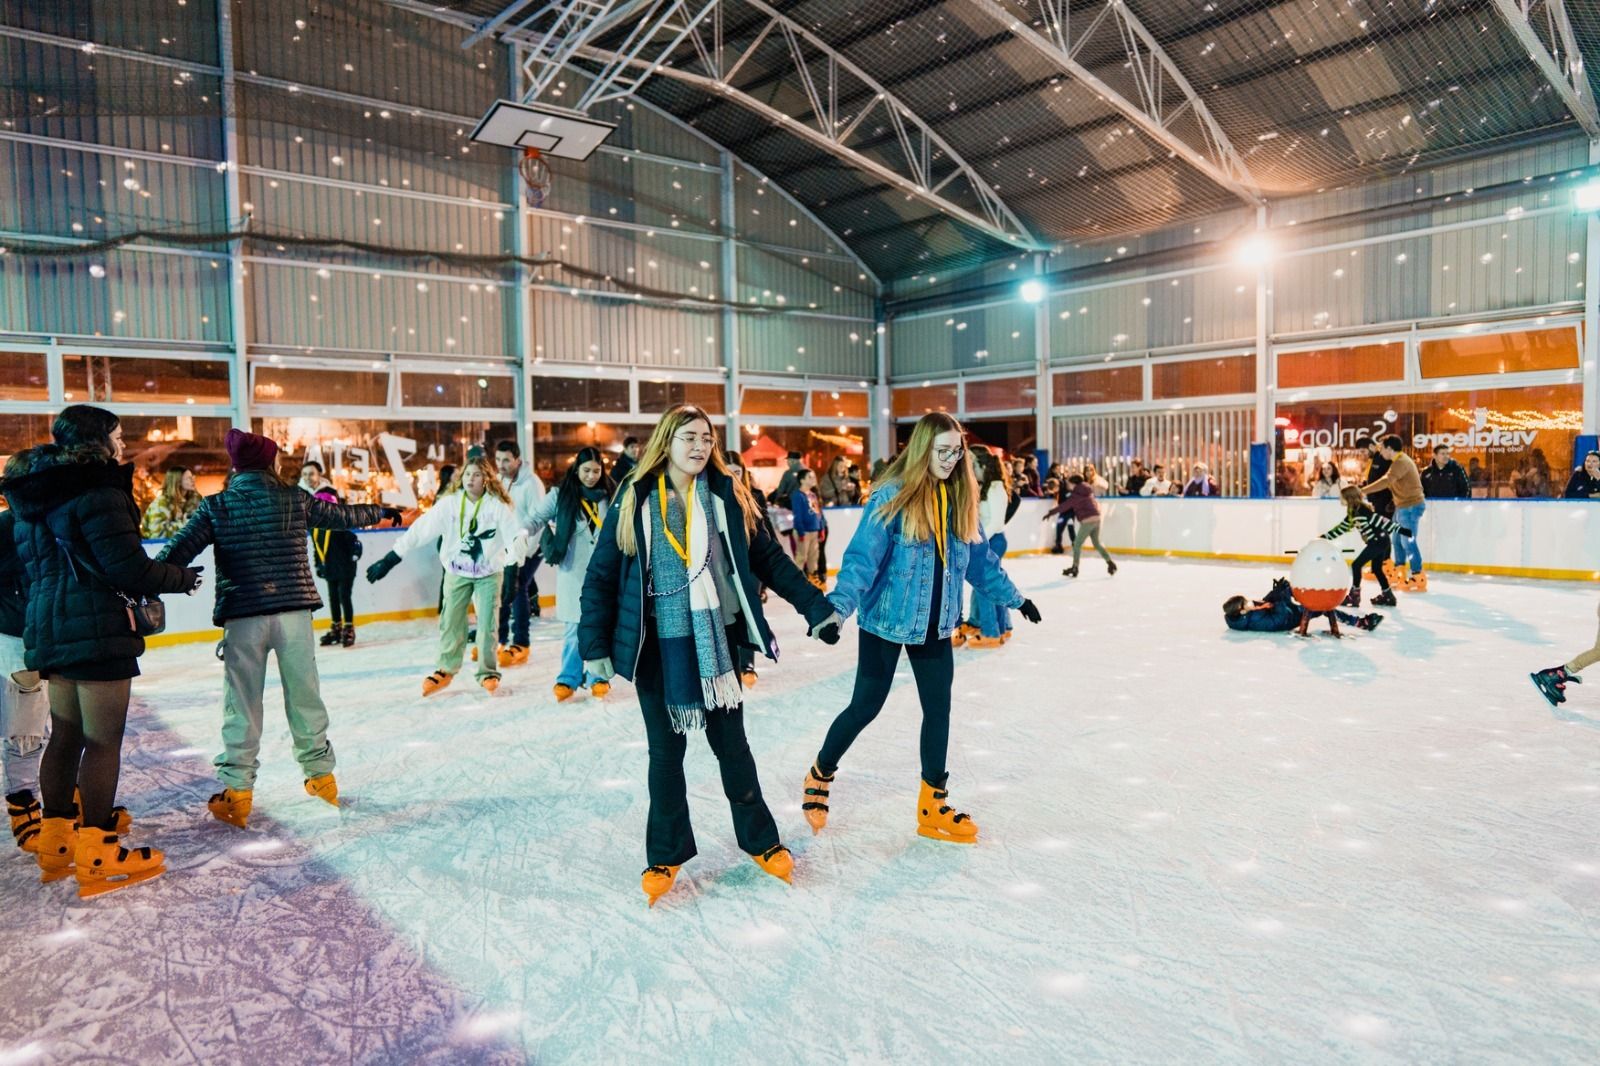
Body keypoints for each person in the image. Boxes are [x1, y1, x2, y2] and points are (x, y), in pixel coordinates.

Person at [578, 405, 838, 907]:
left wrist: (816, 608)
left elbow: (769, 560)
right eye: (689, 437)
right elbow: (601, 577)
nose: (699, 447)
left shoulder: (727, 495)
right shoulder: (634, 500)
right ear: (666, 442)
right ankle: (666, 852)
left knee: (732, 747)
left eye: (706, 438)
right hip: (658, 649)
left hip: (718, 642)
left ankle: (761, 841)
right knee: (666, 755)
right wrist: (594, 648)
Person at [802, 412, 1041, 848]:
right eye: (942, 451)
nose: (951, 460)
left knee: (939, 709)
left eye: (956, 451)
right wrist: (837, 610)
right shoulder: (891, 496)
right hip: (887, 621)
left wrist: (1016, 599)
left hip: (936, 627)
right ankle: (821, 769)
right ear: (922, 450)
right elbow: (861, 560)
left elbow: (981, 564)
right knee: (865, 708)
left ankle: (933, 802)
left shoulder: (961, 499)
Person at [3, 405, 203, 896]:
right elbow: (126, 567)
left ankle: (56, 844)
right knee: (103, 739)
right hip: (95, 631)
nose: (122, 443)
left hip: (48, 630)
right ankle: (96, 849)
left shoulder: (33, 499)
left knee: (66, 735)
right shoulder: (98, 492)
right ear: (98, 440)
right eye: (117, 434)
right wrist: (181, 578)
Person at [159, 429, 394, 830]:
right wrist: (382, 511)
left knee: (242, 703)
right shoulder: (293, 497)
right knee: (305, 694)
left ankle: (237, 792)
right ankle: (322, 779)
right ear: (270, 462)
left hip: (244, 616)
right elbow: (341, 517)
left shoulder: (216, 506)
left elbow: (175, 552)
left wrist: (145, 579)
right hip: (294, 615)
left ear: (236, 466)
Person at [366, 455, 525, 697]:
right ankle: (446, 668)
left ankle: (487, 672)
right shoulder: (450, 504)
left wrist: (512, 570)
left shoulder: (497, 506)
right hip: (456, 573)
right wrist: (392, 557)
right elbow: (421, 529)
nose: (471, 478)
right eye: (468, 474)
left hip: (489, 574)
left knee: (487, 626)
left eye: (477, 474)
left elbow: (516, 536)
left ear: (486, 479)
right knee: (450, 621)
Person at [523, 447, 615, 702]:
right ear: (576, 469)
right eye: (586, 470)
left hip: (603, 573)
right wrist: (522, 534)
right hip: (573, 572)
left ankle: (598, 676)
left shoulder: (610, 494)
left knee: (600, 626)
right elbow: (536, 518)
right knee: (574, 627)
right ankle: (569, 677)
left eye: (596, 471)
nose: (591, 476)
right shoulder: (560, 495)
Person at [1, 505, 49, 854]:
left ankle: (65, 796)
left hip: (52, 632)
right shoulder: (8, 525)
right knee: (25, 725)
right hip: (17, 633)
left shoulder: (55, 517)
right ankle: (23, 800)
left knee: (61, 721)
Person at [724, 453, 775, 689]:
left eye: (738, 472)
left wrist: (764, 582)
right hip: (725, 568)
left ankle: (747, 663)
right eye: (729, 471)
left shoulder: (754, 497)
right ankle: (730, 664)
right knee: (730, 616)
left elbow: (768, 537)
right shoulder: (714, 496)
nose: (734, 476)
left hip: (751, 568)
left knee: (750, 613)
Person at [493, 441, 546, 667]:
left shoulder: (531, 483)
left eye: (506, 460)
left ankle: (521, 642)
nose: (501, 465)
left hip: (532, 546)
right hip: (510, 547)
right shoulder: (500, 480)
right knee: (504, 588)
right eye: (497, 460)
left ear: (517, 459)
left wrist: (524, 553)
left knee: (518, 587)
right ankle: (500, 638)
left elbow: (539, 518)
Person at [1323, 485, 1409, 608]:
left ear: (1349, 498)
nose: (1340, 499)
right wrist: (1324, 537)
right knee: (1377, 569)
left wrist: (1404, 531)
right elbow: (1341, 528)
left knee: (1356, 565)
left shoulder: (1362, 512)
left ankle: (1354, 596)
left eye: (1342, 497)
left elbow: (1382, 521)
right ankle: (1388, 596)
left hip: (1378, 541)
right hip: (1381, 541)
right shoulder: (1355, 512)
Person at [961, 445, 1013, 649]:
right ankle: (1002, 626)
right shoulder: (987, 486)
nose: (971, 468)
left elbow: (997, 522)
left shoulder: (996, 487)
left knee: (985, 586)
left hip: (993, 541)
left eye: (973, 464)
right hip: (988, 540)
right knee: (992, 584)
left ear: (982, 465)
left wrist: (977, 539)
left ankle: (991, 632)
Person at [1361, 434, 1427, 592]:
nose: (1380, 451)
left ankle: (1418, 576)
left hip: (1411, 506)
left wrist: (1362, 491)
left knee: (1407, 542)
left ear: (1389, 449)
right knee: (1397, 541)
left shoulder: (1401, 462)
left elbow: (1386, 481)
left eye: (1382, 448)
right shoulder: (1397, 461)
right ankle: (1400, 571)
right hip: (1402, 506)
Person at [1223, 578, 1381, 633]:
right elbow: (1278, 621)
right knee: (1323, 607)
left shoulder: (1249, 614)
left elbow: (1265, 604)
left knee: (1288, 589)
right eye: (1246, 603)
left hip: (1286, 613)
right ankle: (1360, 623)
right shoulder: (1254, 621)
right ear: (1242, 611)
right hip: (1289, 619)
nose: (1249, 602)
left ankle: (1307, 588)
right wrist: (1281, 599)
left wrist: (1276, 593)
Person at [311, 487, 364, 648]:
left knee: (344, 596)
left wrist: (355, 553)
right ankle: (336, 626)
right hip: (330, 569)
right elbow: (317, 549)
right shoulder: (316, 528)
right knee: (333, 598)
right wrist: (318, 565)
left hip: (346, 568)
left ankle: (348, 628)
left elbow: (355, 542)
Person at [1044, 474, 1118, 578]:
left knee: (1077, 544)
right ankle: (1110, 563)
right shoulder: (1086, 490)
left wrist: (1050, 513)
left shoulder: (1076, 494)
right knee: (1096, 544)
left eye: (1069, 483)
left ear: (1074, 484)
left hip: (1088, 521)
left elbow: (1064, 506)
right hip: (1096, 519)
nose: (1068, 485)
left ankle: (1075, 567)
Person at [140, 467, 203, 539]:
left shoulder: (194, 500)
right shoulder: (161, 503)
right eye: (188, 478)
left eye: (192, 477)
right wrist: (186, 525)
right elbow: (158, 535)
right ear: (177, 482)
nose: (193, 480)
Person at [790, 469, 825, 588]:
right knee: (801, 556)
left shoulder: (812, 495)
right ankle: (797, 582)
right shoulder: (797, 496)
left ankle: (812, 577)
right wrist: (800, 531)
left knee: (813, 556)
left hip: (814, 530)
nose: (813, 479)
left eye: (813, 477)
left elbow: (818, 513)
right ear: (802, 480)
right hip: (803, 531)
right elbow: (797, 515)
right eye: (810, 477)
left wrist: (821, 528)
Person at [1359, 437, 1394, 517]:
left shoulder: (1384, 458)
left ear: (1371, 446)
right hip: (1376, 503)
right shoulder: (1372, 460)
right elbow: (1373, 479)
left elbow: (1389, 479)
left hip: (1384, 503)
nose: (1363, 454)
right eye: (1361, 452)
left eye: (1363, 451)